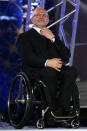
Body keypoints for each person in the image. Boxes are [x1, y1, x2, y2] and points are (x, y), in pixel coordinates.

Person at [17, 7, 78, 117]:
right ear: (32, 19)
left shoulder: (53, 35)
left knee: (71, 71)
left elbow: (66, 56)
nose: (41, 17)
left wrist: (53, 39)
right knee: (49, 72)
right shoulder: (25, 37)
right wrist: (46, 62)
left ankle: (61, 107)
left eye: (44, 15)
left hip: (56, 71)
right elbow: (27, 57)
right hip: (36, 72)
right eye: (37, 15)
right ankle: (50, 109)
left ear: (48, 20)